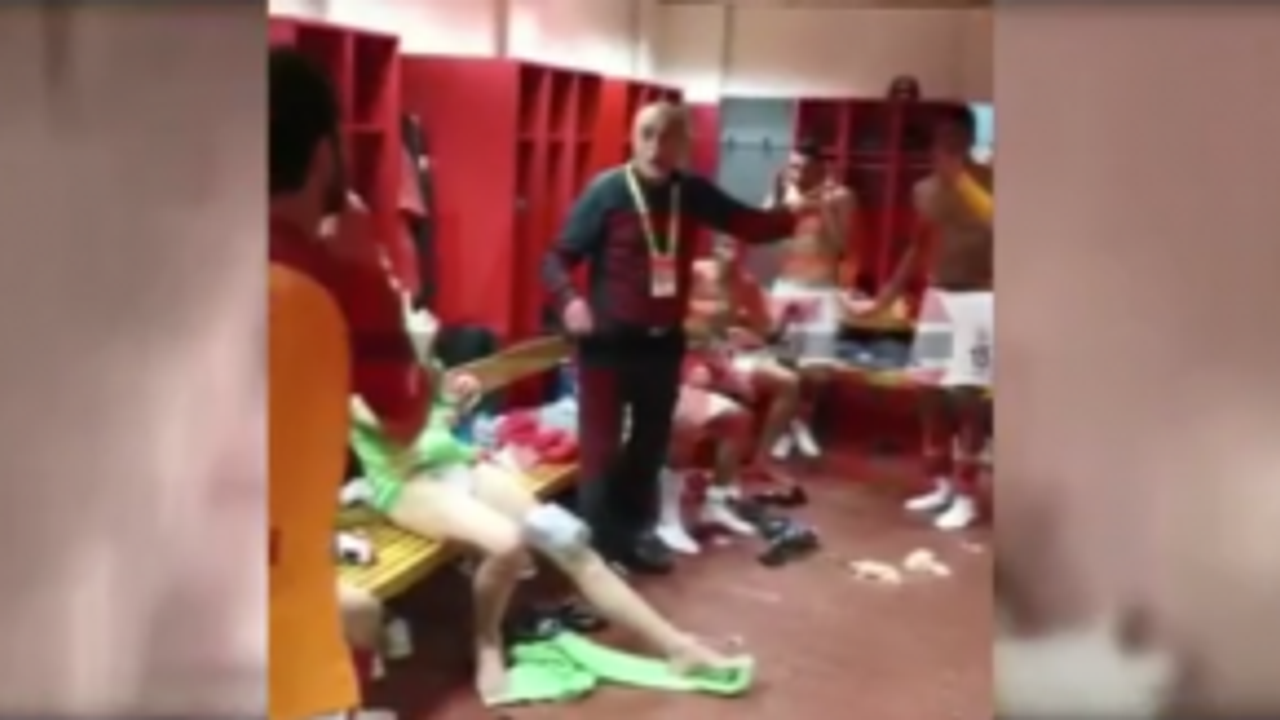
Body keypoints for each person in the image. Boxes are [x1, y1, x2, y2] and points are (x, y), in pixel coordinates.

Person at [349, 281, 746, 704]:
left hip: (459, 464)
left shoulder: (414, 357)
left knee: (569, 542)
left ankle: (677, 646)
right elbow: (399, 431)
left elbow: (440, 414)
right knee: (507, 546)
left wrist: (455, 393)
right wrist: (418, 357)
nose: (406, 305)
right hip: (408, 482)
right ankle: (486, 643)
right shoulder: (347, 369)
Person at [541, 101, 804, 574]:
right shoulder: (607, 191)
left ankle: (635, 536)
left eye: (667, 136)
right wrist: (569, 301)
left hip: (662, 347)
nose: (655, 146)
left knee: (649, 446)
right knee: (601, 448)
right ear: (632, 136)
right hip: (607, 347)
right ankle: (599, 552)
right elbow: (556, 259)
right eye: (647, 133)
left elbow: (750, 224)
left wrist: (790, 208)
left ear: (685, 143)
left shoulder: (692, 192)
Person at [269, 48, 431, 720]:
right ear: (323, 156)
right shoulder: (341, 283)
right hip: (279, 622)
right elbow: (405, 417)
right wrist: (373, 274)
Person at [859, 105, 993, 531]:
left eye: (955, 139)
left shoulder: (992, 183)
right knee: (929, 392)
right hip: (937, 300)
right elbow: (916, 249)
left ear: (969, 140)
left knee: (966, 396)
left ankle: (967, 495)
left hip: (980, 300)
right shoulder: (924, 191)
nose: (946, 148)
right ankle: (942, 484)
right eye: (940, 140)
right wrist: (883, 300)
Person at [762, 140, 857, 460]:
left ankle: (801, 422)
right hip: (787, 288)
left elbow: (842, 246)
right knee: (785, 364)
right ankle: (784, 427)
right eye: (792, 166)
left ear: (820, 168)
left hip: (820, 289)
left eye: (802, 167)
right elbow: (764, 234)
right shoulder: (783, 194)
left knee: (816, 371)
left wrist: (821, 207)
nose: (796, 173)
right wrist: (782, 200)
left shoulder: (841, 196)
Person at [688, 249, 806, 469]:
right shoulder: (695, 271)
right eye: (726, 245)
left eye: (737, 247)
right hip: (690, 351)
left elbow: (765, 329)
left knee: (788, 382)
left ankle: (761, 461)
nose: (730, 253)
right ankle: (684, 460)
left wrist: (751, 331)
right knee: (700, 380)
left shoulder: (746, 283)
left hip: (726, 351)